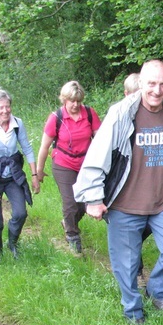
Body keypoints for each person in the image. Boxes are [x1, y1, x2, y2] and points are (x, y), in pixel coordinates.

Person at [73, 59, 163, 325]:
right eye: (151, 83)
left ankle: (157, 292)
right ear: (141, 83)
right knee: (126, 266)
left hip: (162, 203)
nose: (157, 90)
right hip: (125, 205)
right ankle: (133, 312)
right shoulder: (121, 113)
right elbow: (97, 155)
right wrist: (93, 197)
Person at [36, 81, 101, 254]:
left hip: (86, 165)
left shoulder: (89, 114)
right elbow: (44, 147)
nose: (75, 105)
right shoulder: (56, 118)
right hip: (63, 164)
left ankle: (68, 222)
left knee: (84, 204)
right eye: (72, 101)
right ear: (64, 99)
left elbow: (101, 141)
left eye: (78, 101)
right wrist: (39, 171)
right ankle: (72, 235)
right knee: (71, 202)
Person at [0, 89, 40, 260]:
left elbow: (27, 148)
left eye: (8, 107)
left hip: (12, 177)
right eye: (0, 108)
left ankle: (12, 243)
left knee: (21, 213)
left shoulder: (17, 124)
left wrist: (35, 176)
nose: (5, 111)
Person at [122, 72, 147, 280]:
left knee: (141, 232)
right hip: (124, 192)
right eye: (135, 94)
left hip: (149, 190)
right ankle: (135, 273)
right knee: (131, 235)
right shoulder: (118, 118)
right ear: (126, 94)